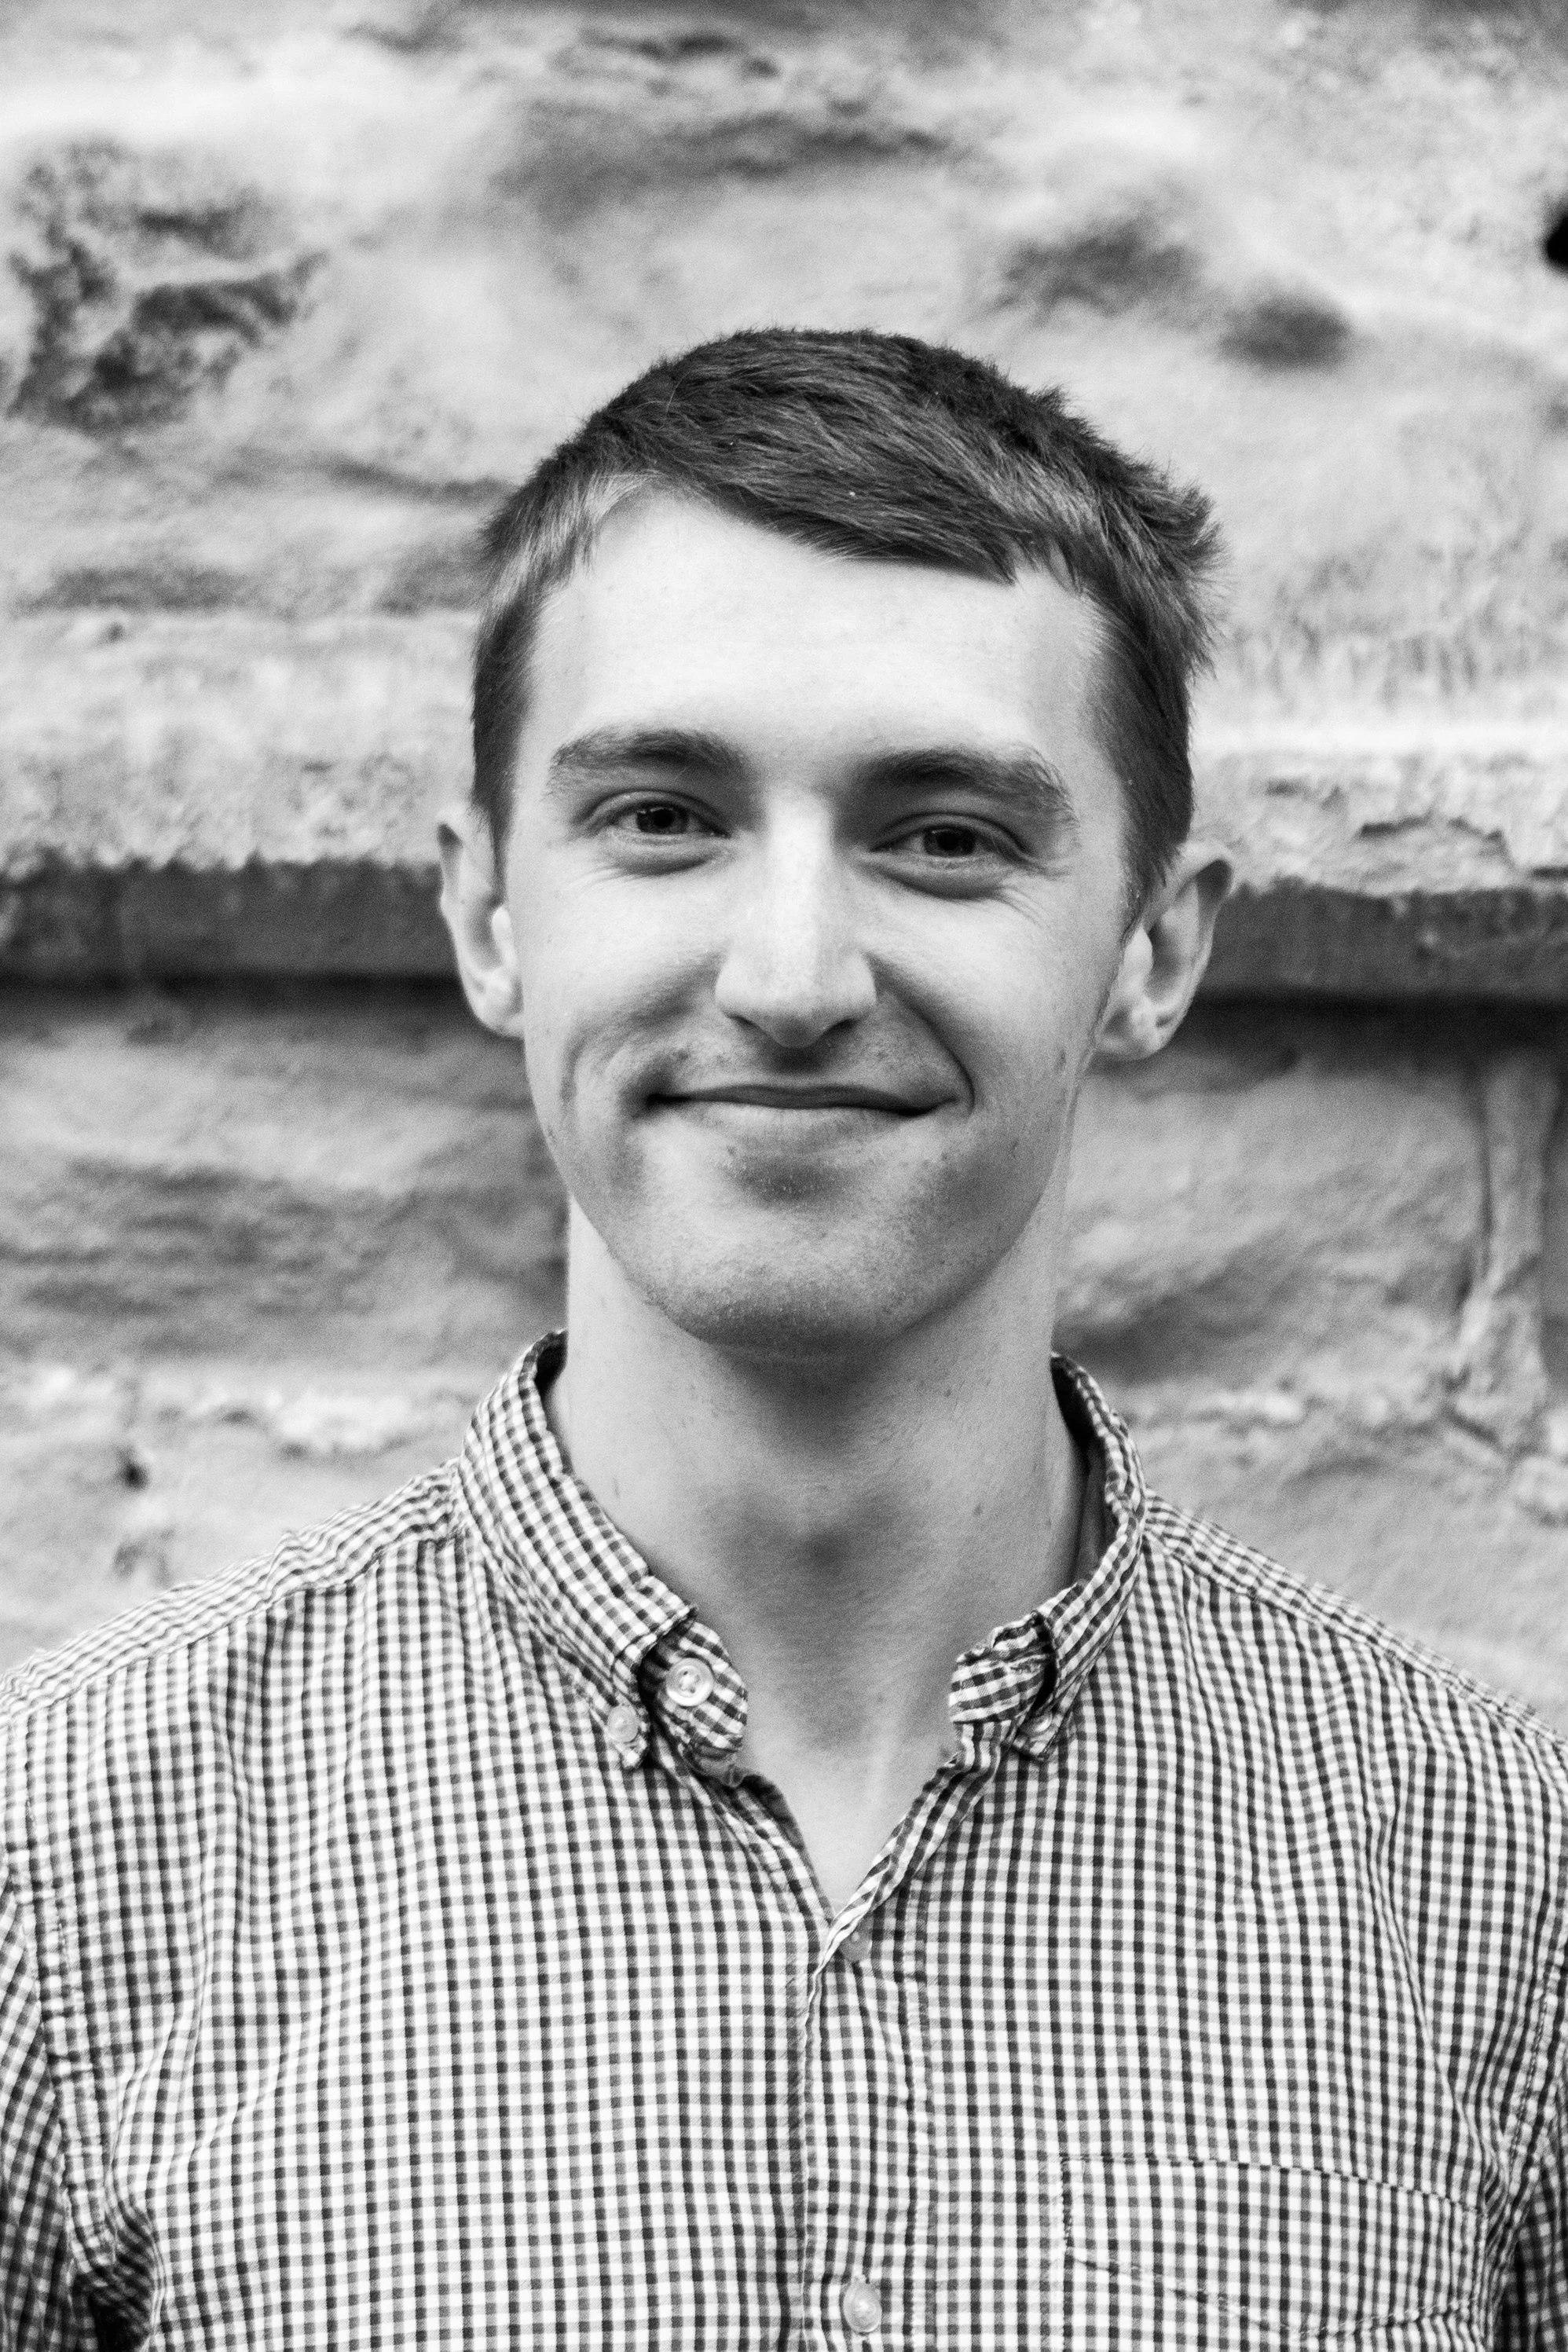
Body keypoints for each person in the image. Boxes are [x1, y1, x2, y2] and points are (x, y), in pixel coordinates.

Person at [1, 329, 1563, 2350]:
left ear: (1154, 949)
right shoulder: (69, 1867)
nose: (792, 975)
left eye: (944, 836)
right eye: (661, 817)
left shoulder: (1497, 1903)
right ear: (488, 920)